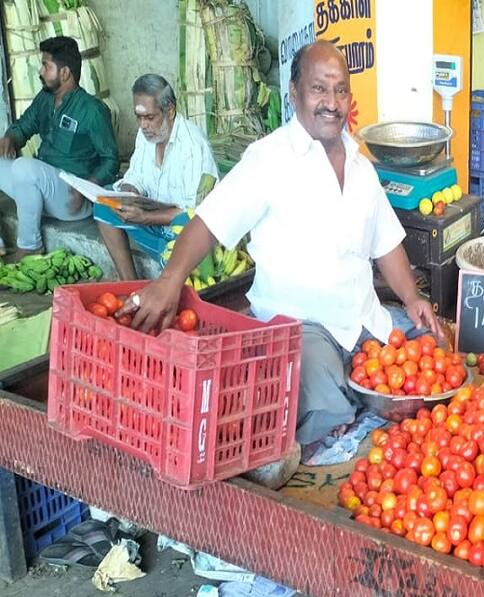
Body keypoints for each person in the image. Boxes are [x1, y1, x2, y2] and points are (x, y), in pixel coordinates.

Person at [117, 41, 442, 448]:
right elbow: (209, 223)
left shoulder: (361, 165)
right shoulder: (268, 160)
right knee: (321, 401)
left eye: (340, 90)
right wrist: (169, 280)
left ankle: (358, 396)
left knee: (433, 350)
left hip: (362, 319)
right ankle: (338, 409)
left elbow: (387, 243)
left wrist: (412, 298)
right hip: (300, 325)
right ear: (294, 93)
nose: (331, 102)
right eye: (319, 89)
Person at [0, 36, 119, 260]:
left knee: (24, 168)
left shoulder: (92, 110)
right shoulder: (45, 98)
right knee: (20, 168)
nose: (40, 71)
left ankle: (30, 245)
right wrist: (11, 138)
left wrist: (88, 187)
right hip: (40, 189)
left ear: (64, 73)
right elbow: (24, 126)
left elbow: (111, 159)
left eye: (46, 66)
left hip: (71, 199)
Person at [95, 74, 218, 280]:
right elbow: (135, 176)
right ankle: (129, 284)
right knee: (103, 205)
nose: (143, 125)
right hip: (151, 222)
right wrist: (129, 193)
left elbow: (194, 213)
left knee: (183, 228)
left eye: (149, 117)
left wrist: (145, 217)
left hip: (182, 232)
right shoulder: (145, 136)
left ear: (169, 111)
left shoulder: (193, 146)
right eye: (139, 117)